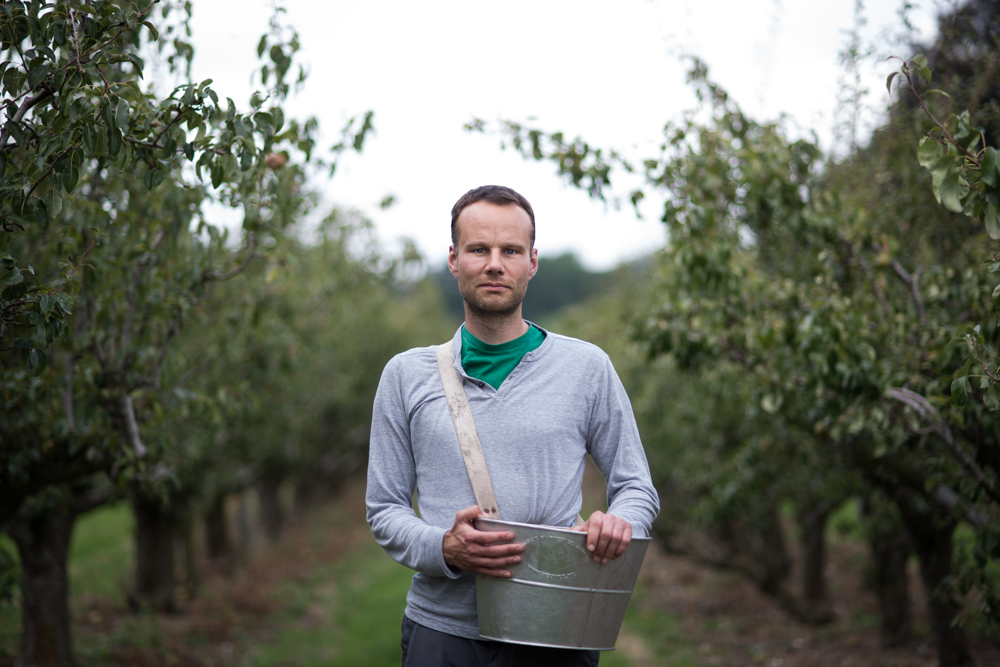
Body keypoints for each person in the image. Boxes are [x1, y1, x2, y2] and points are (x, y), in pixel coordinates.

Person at [366, 185, 660, 666]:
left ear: (533, 261)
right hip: (442, 633)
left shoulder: (586, 367)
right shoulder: (405, 376)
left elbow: (636, 486)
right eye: (479, 249)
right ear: (454, 259)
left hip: (555, 629)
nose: (495, 263)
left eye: (511, 250)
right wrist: (445, 546)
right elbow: (384, 508)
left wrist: (620, 521)